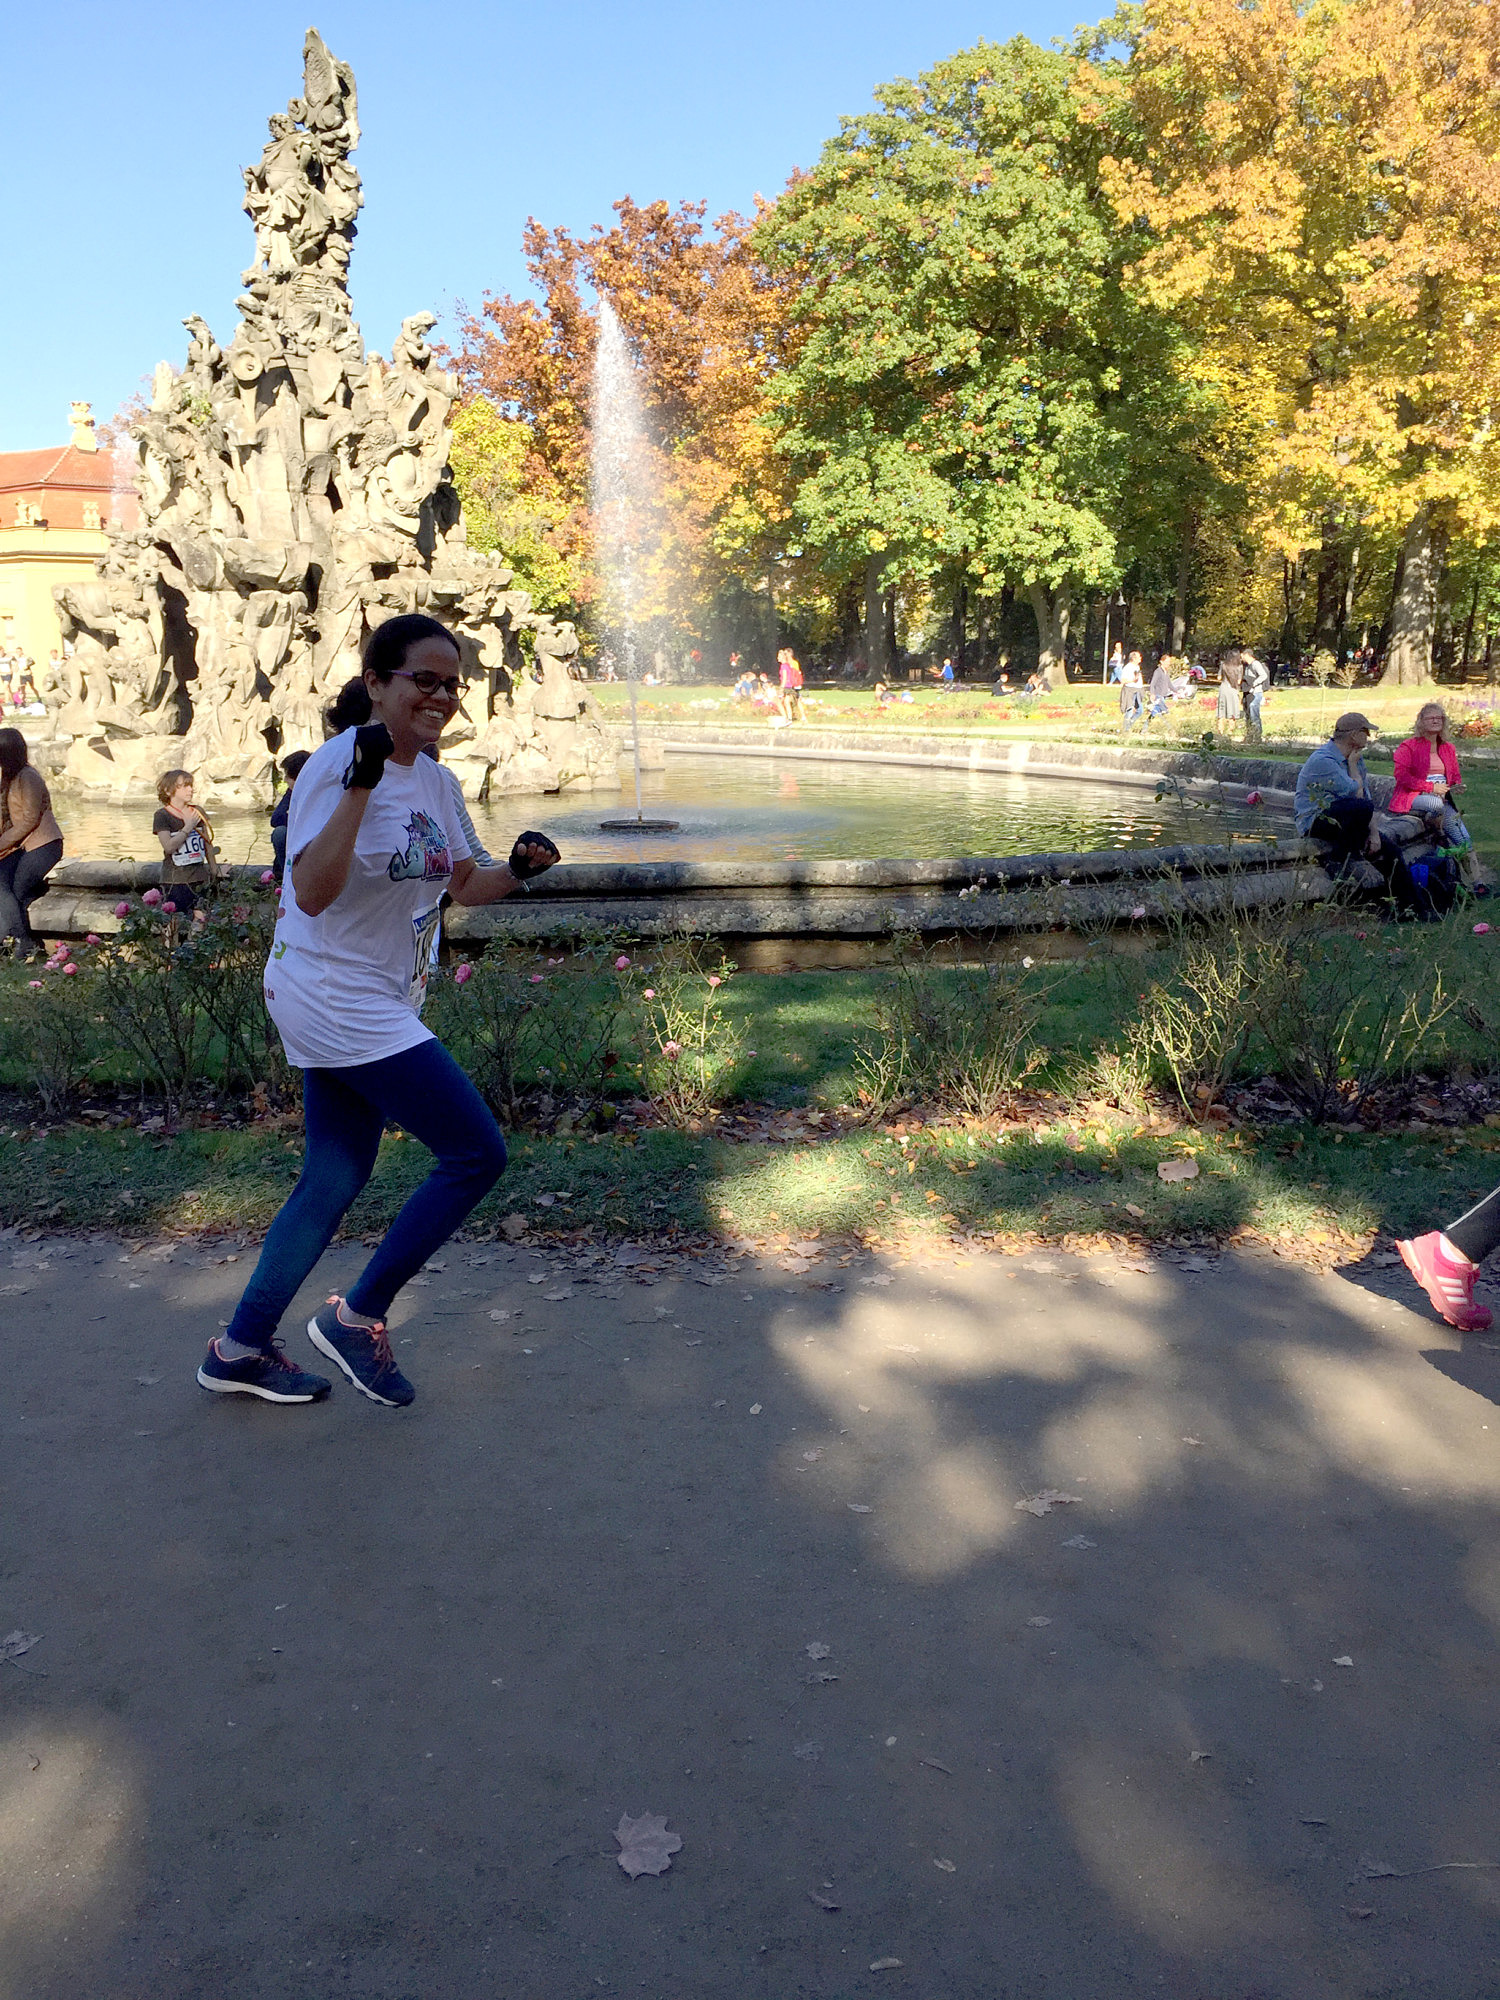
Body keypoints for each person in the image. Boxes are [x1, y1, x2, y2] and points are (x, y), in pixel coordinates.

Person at [196, 613, 561, 1410]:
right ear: (377, 683)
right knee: (475, 1153)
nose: (440, 697)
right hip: (333, 990)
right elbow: (313, 893)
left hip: (373, 992)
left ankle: (239, 1348)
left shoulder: (436, 779)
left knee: (332, 1177)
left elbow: (467, 883)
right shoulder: (335, 767)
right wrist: (362, 784)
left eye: (451, 685)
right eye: (422, 680)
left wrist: (522, 870)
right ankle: (357, 1318)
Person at [1294, 712, 1418, 905]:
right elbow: (1354, 792)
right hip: (1316, 821)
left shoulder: (1356, 758)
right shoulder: (1324, 760)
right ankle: (1340, 857)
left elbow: (1364, 797)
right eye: (1365, 732)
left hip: (1348, 820)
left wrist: (1375, 835)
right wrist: (1353, 769)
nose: (1369, 736)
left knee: (1391, 852)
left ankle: (1410, 907)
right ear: (1353, 735)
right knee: (1358, 807)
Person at [0, 727, 64, 960]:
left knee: (14, 891)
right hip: (25, 846)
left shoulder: (28, 777)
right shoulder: (10, 777)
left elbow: (29, 819)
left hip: (44, 845)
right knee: (12, 892)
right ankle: (31, 945)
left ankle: (23, 942)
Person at [1390, 702, 1471, 851]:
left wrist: (1457, 785)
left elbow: (1454, 775)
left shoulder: (1448, 748)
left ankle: (1473, 874)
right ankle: (1439, 834)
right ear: (1421, 722)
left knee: (1465, 841)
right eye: (1430, 718)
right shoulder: (1408, 746)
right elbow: (1401, 776)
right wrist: (1431, 787)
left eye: (1439, 718)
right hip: (1413, 796)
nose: (1435, 721)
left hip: (1442, 799)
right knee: (1435, 804)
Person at [152, 769, 215, 919]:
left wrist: (214, 869)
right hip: (174, 879)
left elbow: (208, 843)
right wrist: (187, 827)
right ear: (168, 791)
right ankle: (172, 944)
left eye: (191, 785)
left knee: (201, 919)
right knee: (174, 921)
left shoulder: (197, 811)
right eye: (184, 786)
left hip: (199, 877)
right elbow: (168, 846)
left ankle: (194, 943)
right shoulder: (162, 815)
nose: (190, 789)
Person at [269, 748, 312, 883]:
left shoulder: (318, 792)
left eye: (288, 776)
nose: (285, 779)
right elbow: (275, 819)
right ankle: (284, 877)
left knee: (281, 833)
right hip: (296, 838)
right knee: (280, 832)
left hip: (313, 843)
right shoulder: (291, 792)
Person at [1242, 651, 1270, 741]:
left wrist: (1254, 684)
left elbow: (1263, 675)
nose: (1242, 658)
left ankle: (1257, 737)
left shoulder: (1255, 664)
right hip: (1249, 693)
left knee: (1254, 714)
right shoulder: (1247, 666)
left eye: (1243, 656)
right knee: (1248, 714)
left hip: (1256, 693)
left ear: (1247, 655)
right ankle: (1250, 735)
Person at [1216, 649, 1244, 727]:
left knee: (1221, 710)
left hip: (1223, 688)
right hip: (1233, 689)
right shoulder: (1240, 667)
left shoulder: (1223, 664)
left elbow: (1218, 677)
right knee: (1233, 711)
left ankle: (1220, 730)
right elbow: (1239, 681)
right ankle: (1230, 731)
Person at [1119, 654, 1145, 731]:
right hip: (1129, 690)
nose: (1140, 658)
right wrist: (1133, 680)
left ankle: (1129, 725)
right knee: (1129, 710)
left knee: (1140, 711)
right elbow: (1123, 680)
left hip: (1138, 690)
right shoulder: (1127, 667)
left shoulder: (1137, 667)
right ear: (1133, 658)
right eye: (1139, 657)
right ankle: (1125, 729)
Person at [777, 647, 804, 722]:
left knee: (780, 702)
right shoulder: (788, 665)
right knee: (786, 702)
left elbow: (784, 678)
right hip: (790, 686)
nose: (777, 658)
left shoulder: (784, 666)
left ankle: (786, 718)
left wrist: (781, 688)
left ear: (783, 657)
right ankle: (789, 718)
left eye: (779, 657)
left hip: (786, 686)